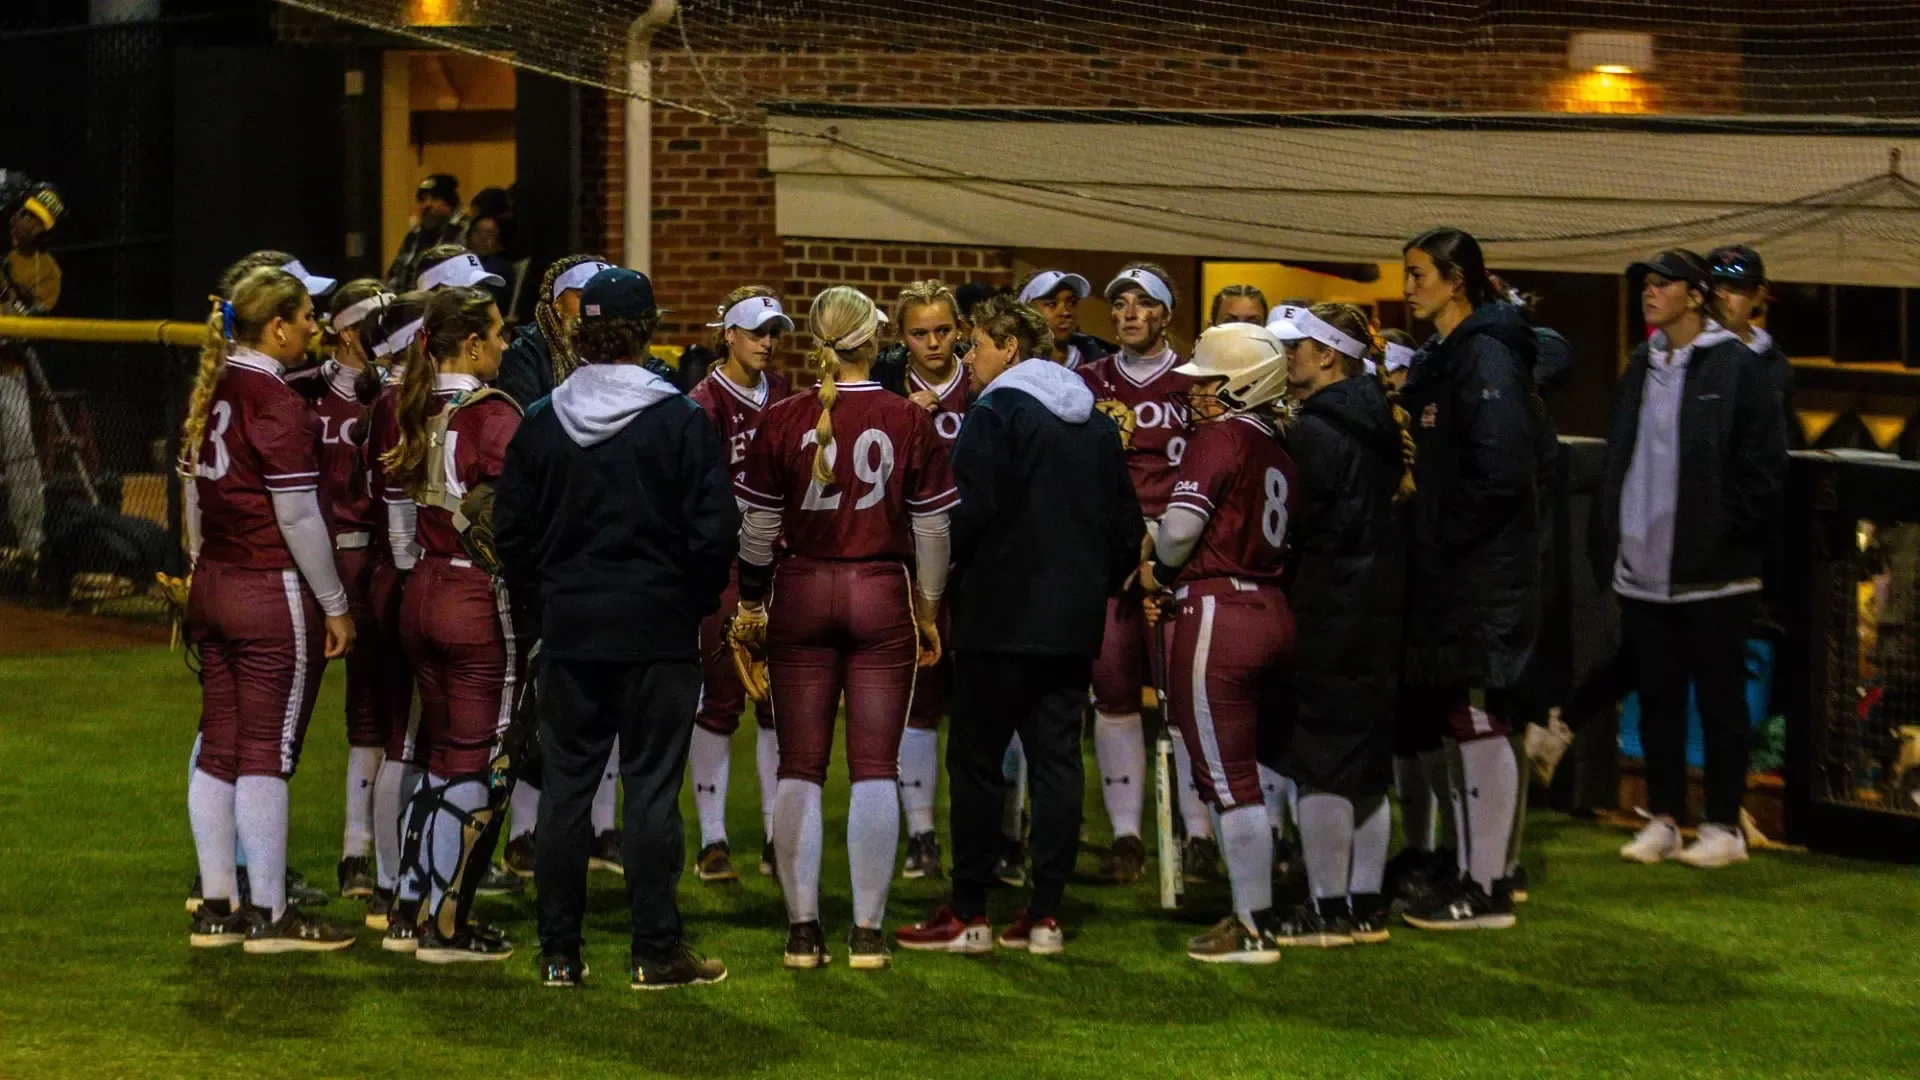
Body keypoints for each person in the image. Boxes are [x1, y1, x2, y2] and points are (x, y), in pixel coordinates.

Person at [494, 266, 739, 991]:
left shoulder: (542, 420)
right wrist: (685, 601)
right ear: (647, 328)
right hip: (656, 632)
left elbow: (511, 535)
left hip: (573, 629)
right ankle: (655, 948)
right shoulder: (679, 419)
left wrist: (551, 602)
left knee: (567, 792)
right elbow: (715, 534)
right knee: (652, 790)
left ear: (580, 329)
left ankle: (560, 952)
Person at [895, 293, 1142, 957]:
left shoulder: (994, 412)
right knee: (1058, 761)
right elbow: (1127, 525)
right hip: (1071, 620)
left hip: (997, 616)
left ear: (1009, 348)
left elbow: (964, 515)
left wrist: (934, 590)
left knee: (977, 762)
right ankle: (1045, 915)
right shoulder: (1093, 421)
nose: (966, 358)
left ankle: (970, 910)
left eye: (975, 344)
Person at [731, 285, 955, 971]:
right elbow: (934, 528)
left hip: (801, 588)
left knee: (799, 765)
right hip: (879, 590)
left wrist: (750, 606)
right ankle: (866, 932)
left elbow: (759, 529)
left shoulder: (783, 416)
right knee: (874, 768)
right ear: (876, 338)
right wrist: (928, 606)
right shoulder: (906, 417)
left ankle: (803, 932)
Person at [180, 266, 357, 953]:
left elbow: (194, 501)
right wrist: (335, 604)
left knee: (219, 747)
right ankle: (272, 915)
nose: (315, 327)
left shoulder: (212, 386)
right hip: (266, 588)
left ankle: (218, 907)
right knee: (265, 752)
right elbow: (299, 518)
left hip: (216, 583)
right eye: (307, 316)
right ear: (276, 326)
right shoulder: (275, 399)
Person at [1602, 250, 1788, 869]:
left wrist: (1724, 538)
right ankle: (1663, 819)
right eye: (1646, 285)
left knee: (1719, 703)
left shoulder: (1736, 367)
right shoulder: (1640, 362)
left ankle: (1722, 827)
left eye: (1662, 285)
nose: (1649, 294)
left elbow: (1762, 467)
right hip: (1645, 570)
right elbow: (1621, 455)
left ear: (1694, 294)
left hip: (1716, 574)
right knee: (1655, 698)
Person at [1129, 322, 1297, 962]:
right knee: (1258, 766)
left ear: (1244, 384)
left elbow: (1178, 531)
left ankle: (1251, 923)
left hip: (1219, 609)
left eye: (1209, 383)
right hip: (1273, 604)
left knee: (1227, 779)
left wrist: (1158, 572)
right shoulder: (1279, 447)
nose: (1196, 395)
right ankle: (1264, 901)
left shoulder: (1221, 438)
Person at [1396, 226, 1543, 930]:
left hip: (1483, 570)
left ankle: (1485, 888)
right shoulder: (1458, 355)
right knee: (1468, 719)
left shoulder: (1486, 354)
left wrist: (1443, 535)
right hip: (1467, 565)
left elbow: (1500, 470)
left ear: (1458, 280)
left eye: (1420, 273)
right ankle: (1472, 870)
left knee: (1482, 717)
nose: (1409, 287)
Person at [382, 285, 523, 963]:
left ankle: (407, 907)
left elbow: (402, 517)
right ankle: (446, 922)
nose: (504, 344)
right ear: (470, 343)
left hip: (423, 587)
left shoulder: (408, 398)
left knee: (434, 754)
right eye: (495, 334)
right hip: (472, 597)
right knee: (473, 756)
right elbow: (518, 521)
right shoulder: (494, 415)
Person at [1266, 304, 1412, 949]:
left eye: (1293, 347)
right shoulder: (1375, 419)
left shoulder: (1318, 431)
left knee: (1321, 759)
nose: (1285, 358)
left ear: (1328, 355)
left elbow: (1298, 526)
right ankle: (1363, 903)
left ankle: (1327, 909)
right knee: (1366, 763)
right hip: (1379, 608)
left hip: (1330, 608)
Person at [490, 253, 636, 882]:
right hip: (552, 546)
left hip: (594, 548)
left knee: (605, 700)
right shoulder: (528, 352)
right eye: (582, 297)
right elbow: (536, 428)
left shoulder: (610, 358)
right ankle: (524, 831)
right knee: (539, 698)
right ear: (558, 302)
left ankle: (597, 829)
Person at [1076, 261, 1200, 883]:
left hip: (1185, 554)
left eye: (1142, 302)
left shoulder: (1198, 380)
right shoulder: (1088, 381)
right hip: (1110, 558)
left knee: (1189, 695)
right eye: (1119, 302)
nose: (1128, 312)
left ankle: (1199, 832)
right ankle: (1126, 834)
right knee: (1114, 692)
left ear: (1166, 314)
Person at [684, 284, 794, 885]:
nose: (768, 342)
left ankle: (777, 838)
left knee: (778, 704)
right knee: (722, 699)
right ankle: (713, 838)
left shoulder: (787, 395)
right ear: (727, 334)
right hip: (725, 566)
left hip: (778, 565)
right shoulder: (703, 403)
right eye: (756, 331)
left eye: (774, 332)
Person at [286, 279, 391, 906]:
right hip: (308, 569)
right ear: (349, 330)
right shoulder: (300, 391)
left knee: (373, 716)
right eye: (377, 324)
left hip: (371, 561)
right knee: (285, 718)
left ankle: (358, 852)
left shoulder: (398, 393)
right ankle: (244, 861)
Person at [880, 281, 969, 880]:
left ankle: (1003, 836)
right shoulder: (885, 393)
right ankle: (922, 835)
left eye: (943, 330)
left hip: (981, 565)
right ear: (900, 336)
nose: (934, 343)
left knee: (987, 704)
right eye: (920, 332)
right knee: (918, 707)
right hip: (911, 567)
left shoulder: (986, 382)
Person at [362, 293, 430, 931]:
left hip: (396, 577)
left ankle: (398, 878)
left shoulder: (389, 397)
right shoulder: (396, 400)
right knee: (406, 741)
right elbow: (401, 514)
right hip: (406, 577)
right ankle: (392, 884)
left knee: (407, 742)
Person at [0, 182, 62, 571]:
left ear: (40, 230)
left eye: (31, 219)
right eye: (22, 213)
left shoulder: (47, 270)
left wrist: (8, 293)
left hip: (8, 373)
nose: (21, 221)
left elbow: (32, 324)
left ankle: (32, 545)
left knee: (21, 458)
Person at [1016, 269, 1113, 370]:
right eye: (1051, 304)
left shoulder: (1100, 366)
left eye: (1072, 303)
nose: (1066, 312)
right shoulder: (1010, 366)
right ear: (1025, 311)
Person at [386, 174, 469, 291]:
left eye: (435, 198)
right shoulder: (413, 236)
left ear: (450, 204)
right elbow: (395, 277)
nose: (427, 205)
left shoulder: (463, 234)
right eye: (422, 199)